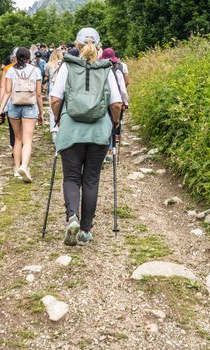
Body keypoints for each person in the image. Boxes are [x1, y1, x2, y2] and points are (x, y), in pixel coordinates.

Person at [50, 28, 122, 246]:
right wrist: (114, 123)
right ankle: (85, 231)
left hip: (71, 130)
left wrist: (59, 119)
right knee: (91, 179)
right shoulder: (106, 69)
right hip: (99, 132)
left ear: (77, 45)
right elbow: (117, 104)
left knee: (71, 177)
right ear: (98, 46)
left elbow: (55, 99)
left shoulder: (67, 67)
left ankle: (72, 217)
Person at [0, 47, 44, 183]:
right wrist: (41, 112)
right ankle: (24, 166)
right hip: (30, 107)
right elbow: (38, 94)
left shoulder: (10, 70)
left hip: (14, 106)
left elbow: (7, 92)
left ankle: (16, 168)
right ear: (29, 57)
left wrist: (1, 110)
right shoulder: (35, 70)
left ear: (16, 57)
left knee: (17, 139)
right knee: (28, 139)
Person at [100, 48, 129, 161]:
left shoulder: (99, 71)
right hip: (114, 102)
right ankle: (111, 149)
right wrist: (125, 103)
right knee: (113, 124)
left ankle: (102, 148)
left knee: (102, 124)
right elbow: (123, 91)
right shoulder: (117, 72)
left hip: (102, 102)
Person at [0, 47, 19, 150]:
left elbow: (3, 87)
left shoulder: (8, 69)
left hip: (12, 101)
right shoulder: (32, 68)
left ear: (13, 57)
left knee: (13, 127)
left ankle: (14, 146)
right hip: (28, 102)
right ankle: (23, 147)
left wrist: (1, 105)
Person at [44, 49, 64, 143]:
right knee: (63, 110)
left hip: (52, 86)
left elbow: (46, 76)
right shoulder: (64, 64)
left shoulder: (48, 65)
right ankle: (62, 131)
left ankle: (54, 133)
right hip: (62, 87)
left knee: (52, 111)